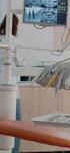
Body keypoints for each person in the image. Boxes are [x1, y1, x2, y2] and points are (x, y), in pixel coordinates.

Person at [0, 13, 22, 153]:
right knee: (16, 126)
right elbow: (21, 64)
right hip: (11, 91)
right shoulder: (16, 42)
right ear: (15, 25)